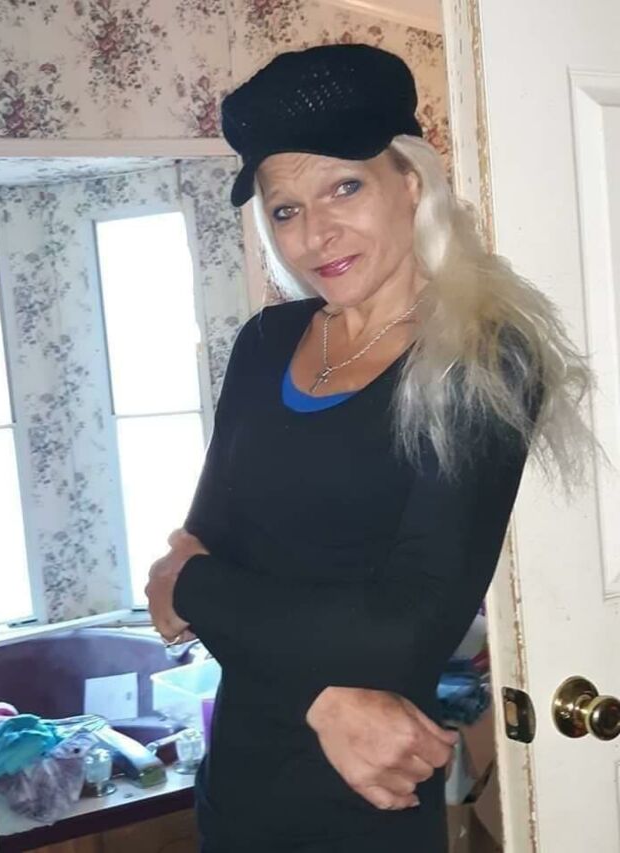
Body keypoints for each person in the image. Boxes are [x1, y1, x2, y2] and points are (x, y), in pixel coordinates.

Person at [146, 43, 591, 853]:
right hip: (235, 795)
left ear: (411, 181)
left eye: (344, 187)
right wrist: (321, 696)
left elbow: (405, 630)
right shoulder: (264, 343)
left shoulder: (480, 356)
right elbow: (192, 554)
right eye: (285, 209)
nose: (316, 234)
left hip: (364, 806)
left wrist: (200, 587)